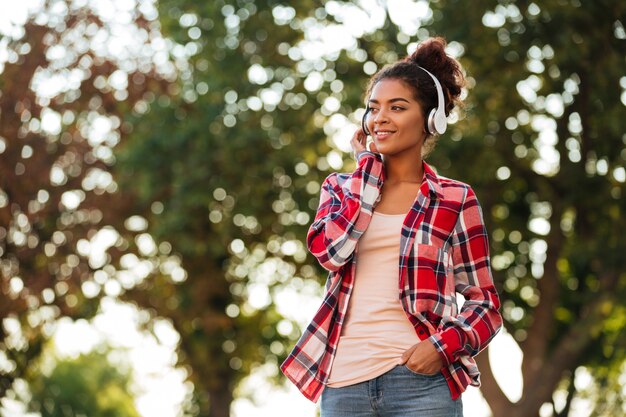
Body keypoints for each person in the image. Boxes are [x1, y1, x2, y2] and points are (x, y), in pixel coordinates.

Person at [281, 37, 502, 417]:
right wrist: (366, 169)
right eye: (373, 108)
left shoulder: (455, 199)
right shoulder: (340, 188)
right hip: (343, 382)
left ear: (431, 119)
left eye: (397, 107)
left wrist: (443, 346)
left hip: (423, 384)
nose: (379, 118)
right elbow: (330, 253)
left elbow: (486, 304)